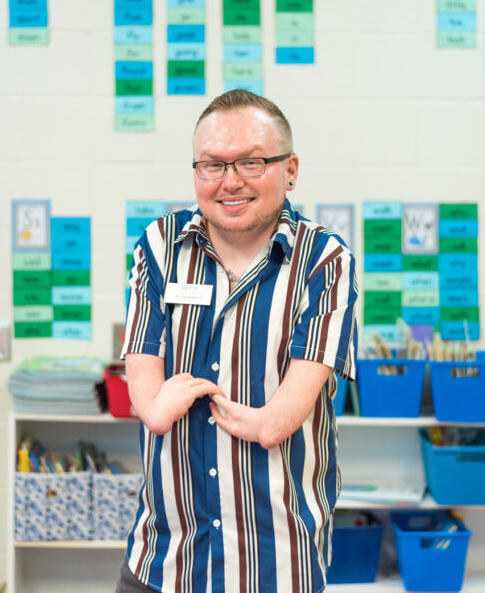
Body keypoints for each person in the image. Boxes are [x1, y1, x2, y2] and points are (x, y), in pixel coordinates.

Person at [118, 90, 358, 593]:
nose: (230, 181)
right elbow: (149, 403)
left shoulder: (325, 263)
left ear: (290, 169)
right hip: (165, 562)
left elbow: (275, 423)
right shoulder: (159, 248)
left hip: (276, 565)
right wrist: (158, 407)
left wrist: (185, 404)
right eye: (212, 165)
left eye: (251, 162)